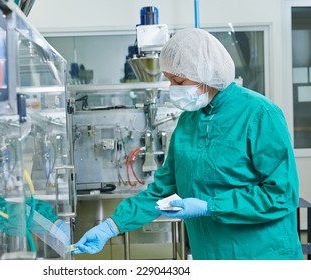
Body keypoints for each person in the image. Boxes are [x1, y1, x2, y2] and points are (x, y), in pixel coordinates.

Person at [72, 27, 304, 260]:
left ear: (206, 73)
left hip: (263, 255)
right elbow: (162, 190)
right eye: (169, 80)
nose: (173, 87)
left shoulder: (260, 114)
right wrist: (111, 226)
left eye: (179, 80)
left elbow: (280, 195)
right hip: (210, 254)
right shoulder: (188, 120)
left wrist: (210, 206)